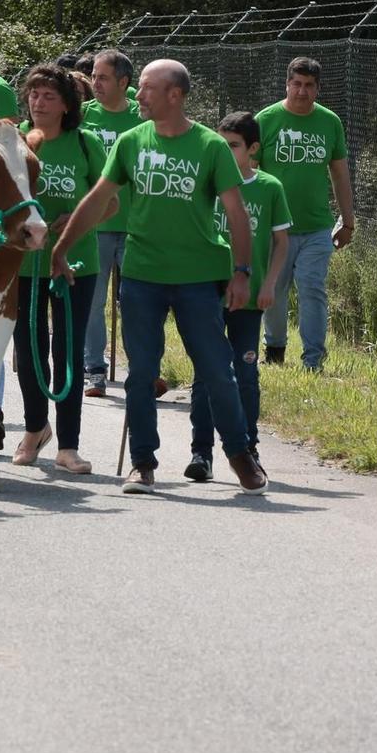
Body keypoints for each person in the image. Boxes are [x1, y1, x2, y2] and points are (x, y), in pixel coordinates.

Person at [48, 60, 268, 495]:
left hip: (198, 277)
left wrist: (242, 274)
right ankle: (143, 463)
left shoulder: (210, 146)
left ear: (175, 94)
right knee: (141, 372)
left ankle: (240, 454)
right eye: (141, 88)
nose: (140, 96)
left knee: (216, 371)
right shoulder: (131, 141)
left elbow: (237, 215)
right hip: (142, 275)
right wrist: (61, 247)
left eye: (148, 88)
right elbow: (97, 199)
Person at [9, 64, 108, 474]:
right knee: (29, 352)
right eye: (34, 94)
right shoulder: (14, 140)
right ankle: (35, 428)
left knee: (67, 351)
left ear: (68, 105)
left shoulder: (86, 144)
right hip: (23, 265)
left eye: (49, 96)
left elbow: (110, 202)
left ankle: (68, 445)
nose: (39, 103)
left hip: (75, 264)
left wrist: (76, 220)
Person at [185, 111, 291, 482]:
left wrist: (269, 284)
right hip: (206, 293)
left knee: (245, 371)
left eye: (233, 145)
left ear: (253, 149)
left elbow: (281, 242)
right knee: (206, 373)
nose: (224, 151)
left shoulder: (269, 187)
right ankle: (202, 452)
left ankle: (249, 447)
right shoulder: (205, 180)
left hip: (248, 298)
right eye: (221, 144)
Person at [254, 57, 354, 370]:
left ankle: (313, 359)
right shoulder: (265, 120)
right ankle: (275, 349)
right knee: (276, 289)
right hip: (276, 226)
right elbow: (252, 174)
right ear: (287, 84)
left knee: (312, 286)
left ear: (317, 89)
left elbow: (339, 174)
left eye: (309, 85)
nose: (302, 91)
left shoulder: (329, 122)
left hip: (316, 226)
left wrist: (347, 220)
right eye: (296, 83)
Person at [79, 49, 143, 394]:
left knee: (136, 300)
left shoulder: (141, 118)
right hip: (96, 225)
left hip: (135, 224)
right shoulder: (84, 117)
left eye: (102, 77)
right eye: (93, 76)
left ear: (123, 82)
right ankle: (94, 368)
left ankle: (143, 367)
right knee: (93, 299)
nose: (95, 83)